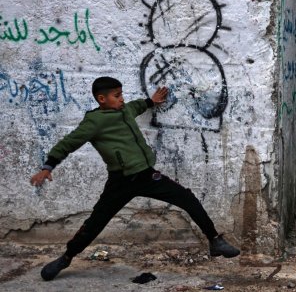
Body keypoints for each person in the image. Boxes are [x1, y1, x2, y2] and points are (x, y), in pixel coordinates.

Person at [30, 76, 240, 281]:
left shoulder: (125, 110)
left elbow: (137, 106)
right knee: (95, 222)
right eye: (117, 96)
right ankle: (67, 257)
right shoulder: (94, 122)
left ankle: (215, 240)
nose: (121, 99)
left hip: (147, 175)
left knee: (187, 198)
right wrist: (48, 166)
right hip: (120, 181)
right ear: (102, 99)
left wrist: (151, 101)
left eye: (122, 95)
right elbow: (69, 142)